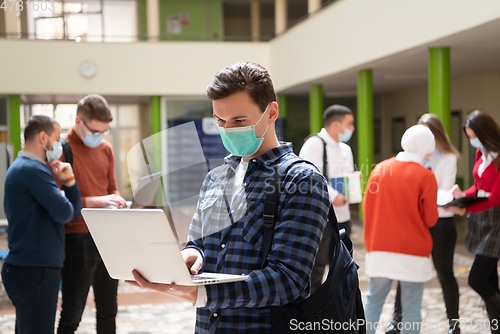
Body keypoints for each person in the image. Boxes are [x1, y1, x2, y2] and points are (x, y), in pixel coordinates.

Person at [127, 62, 332, 333]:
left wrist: (205, 295)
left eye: (239, 121)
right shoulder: (216, 178)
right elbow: (201, 243)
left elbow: (289, 279)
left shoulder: (301, 181)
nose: (228, 129)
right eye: (220, 121)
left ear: (271, 112)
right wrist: (192, 254)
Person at [2, 115, 82, 334]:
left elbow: (70, 211)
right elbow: (67, 212)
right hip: (35, 270)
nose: (59, 146)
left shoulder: (21, 168)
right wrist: (69, 181)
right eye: (56, 139)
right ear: (43, 137)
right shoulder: (32, 170)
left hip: (29, 268)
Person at [57, 94, 127, 334]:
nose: (99, 137)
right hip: (78, 237)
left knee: (109, 310)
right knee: (72, 314)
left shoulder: (105, 149)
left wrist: (116, 201)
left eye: (104, 132)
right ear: (79, 122)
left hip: (107, 235)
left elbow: (112, 188)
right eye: (95, 131)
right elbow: (58, 200)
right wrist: (98, 200)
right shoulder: (61, 150)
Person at [386, 114, 461, 334]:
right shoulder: (411, 158)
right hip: (416, 221)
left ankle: (454, 325)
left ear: (437, 134)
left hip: (441, 223)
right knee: (405, 271)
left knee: (445, 274)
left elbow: (443, 192)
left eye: (428, 133)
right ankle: (396, 321)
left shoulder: (448, 157)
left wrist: (423, 196)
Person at [363, 125, 439, 334]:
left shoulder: (380, 169)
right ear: (425, 148)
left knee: (373, 301)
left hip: (379, 247)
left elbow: (366, 208)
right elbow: (431, 219)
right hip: (412, 252)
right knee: (412, 308)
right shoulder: (425, 176)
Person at [446, 110, 500, 333]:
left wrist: (464, 207)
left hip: (496, 221)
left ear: (485, 132)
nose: (471, 141)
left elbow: (496, 197)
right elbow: (479, 187)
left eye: (472, 136)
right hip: (481, 219)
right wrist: (461, 196)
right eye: (468, 136)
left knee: (476, 279)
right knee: (490, 280)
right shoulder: (481, 152)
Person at [299, 104, 356, 293]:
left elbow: (343, 177)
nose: (352, 129)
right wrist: (332, 196)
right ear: (335, 125)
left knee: (341, 267)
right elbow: (307, 177)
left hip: (343, 216)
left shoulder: (345, 149)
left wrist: (353, 182)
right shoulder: (315, 144)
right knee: (317, 268)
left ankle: (335, 309)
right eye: (349, 124)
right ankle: (313, 313)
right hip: (321, 218)